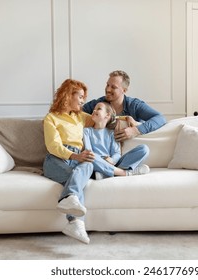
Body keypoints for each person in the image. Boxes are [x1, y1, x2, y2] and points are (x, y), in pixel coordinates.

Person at [43, 79, 95, 244]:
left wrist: (125, 119)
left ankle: (70, 201)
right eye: (80, 96)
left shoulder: (80, 117)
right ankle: (76, 222)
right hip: (56, 159)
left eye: (83, 98)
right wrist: (74, 156)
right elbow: (53, 146)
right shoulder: (51, 118)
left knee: (89, 164)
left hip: (78, 159)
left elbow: (101, 118)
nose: (82, 101)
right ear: (67, 96)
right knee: (75, 175)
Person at [82, 70, 166, 142]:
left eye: (113, 87)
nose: (108, 89)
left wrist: (136, 130)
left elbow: (160, 118)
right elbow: (76, 113)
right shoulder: (98, 104)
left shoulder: (134, 105)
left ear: (124, 90)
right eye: (107, 85)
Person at [83, 102, 150, 180]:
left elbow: (116, 153)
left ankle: (107, 173)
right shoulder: (87, 131)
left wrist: (112, 160)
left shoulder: (111, 133)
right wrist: (103, 161)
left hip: (113, 164)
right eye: (94, 109)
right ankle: (124, 173)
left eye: (99, 109)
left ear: (107, 115)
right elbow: (88, 151)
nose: (94, 111)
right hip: (97, 163)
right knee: (90, 156)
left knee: (144, 149)